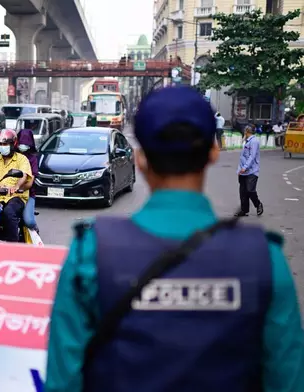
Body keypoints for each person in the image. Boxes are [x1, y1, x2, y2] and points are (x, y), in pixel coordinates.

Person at [45, 86, 304, 392]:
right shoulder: (265, 259)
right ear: (213, 152)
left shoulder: (90, 252)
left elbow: (62, 382)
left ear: (140, 160)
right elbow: (287, 381)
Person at [235, 124, 263, 217]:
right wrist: (240, 169)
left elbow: (252, 156)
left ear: (247, 131)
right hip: (243, 171)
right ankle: (244, 210)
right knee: (243, 191)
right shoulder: (246, 141)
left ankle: (258, 204)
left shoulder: (254, 141)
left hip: (252, 170)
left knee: (250, 190)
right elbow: (242, 157)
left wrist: (245, 167)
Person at [17, 128, 38, 230]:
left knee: (29, 222)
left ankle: (35, 230)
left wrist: (17, 188)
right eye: (21, 142)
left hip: (27, 194)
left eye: (25, 143)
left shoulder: (33, 159)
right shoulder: (12, 156)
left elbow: (30, 183)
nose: (23, 145)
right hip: (8, 194)